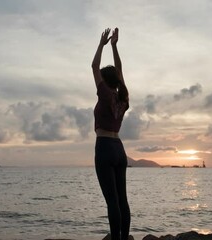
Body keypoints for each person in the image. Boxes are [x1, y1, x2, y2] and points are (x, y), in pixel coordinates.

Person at [91, 28, 132, 240]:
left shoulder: (105, 93)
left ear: (105, 81)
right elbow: (120, 69)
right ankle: (124, 238)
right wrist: (115, 46)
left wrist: (102, 44)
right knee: (122, 200)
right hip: (119, 149)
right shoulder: (123, 97)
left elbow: (94, 66)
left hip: (105, 147)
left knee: (112, 201)